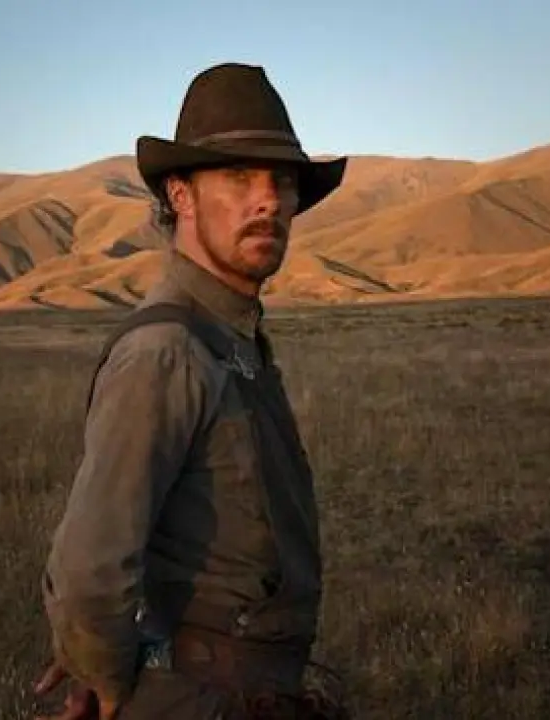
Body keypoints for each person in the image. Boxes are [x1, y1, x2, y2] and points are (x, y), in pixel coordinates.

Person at [32, 62, 350, 719]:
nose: (268, 200)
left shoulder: (231, 338)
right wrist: (112, 684)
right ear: (180, 195)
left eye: (282, 180)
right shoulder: (167, 352)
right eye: (239, 176)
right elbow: (89, 574)